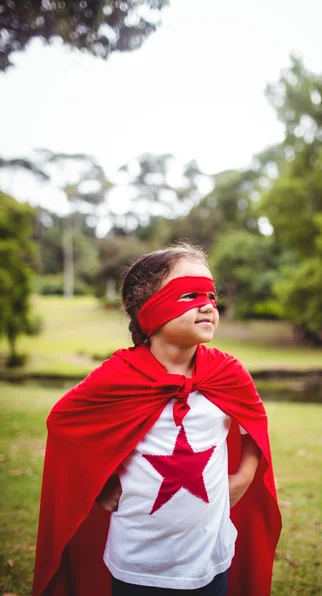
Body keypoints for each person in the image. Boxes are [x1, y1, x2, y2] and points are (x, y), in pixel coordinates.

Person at [33, 243, 281, 596]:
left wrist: (245, 474)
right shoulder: (120, 376)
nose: (208, 305)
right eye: (189, 295)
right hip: (137, 562)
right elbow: (64, 422)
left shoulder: (227, 372)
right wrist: (99, 486)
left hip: (211, 557)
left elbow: (255, 420)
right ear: (150, 309)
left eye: (211, 295)